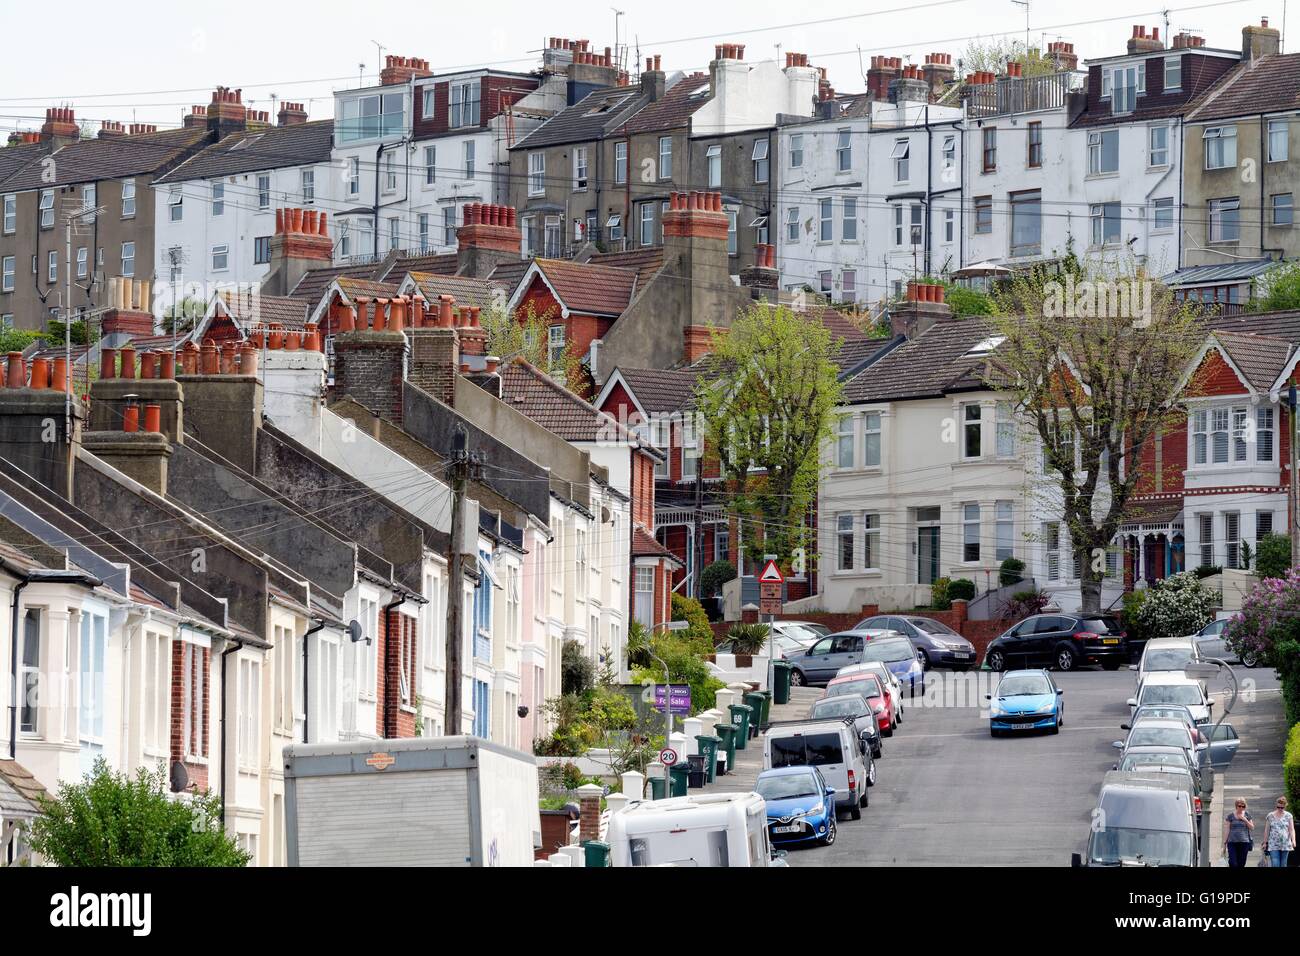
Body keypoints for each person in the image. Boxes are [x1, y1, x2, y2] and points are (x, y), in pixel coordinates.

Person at [1265, 796, 1296, 869]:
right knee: (1275, 864)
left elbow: (1291, 829)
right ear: (1276, 805)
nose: (1280, 809)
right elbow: (1267, 830)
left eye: (1282, 808)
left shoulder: (1289, 816)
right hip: (1273, 843)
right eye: (1278, 807)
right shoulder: (1270, 816)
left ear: (1285, 806)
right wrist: (1265, 842)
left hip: (1285, 843)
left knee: (1283, 864)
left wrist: (1293, 840)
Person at [1223, 798, 1254, 867]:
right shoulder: (1230, 816)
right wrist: (1225, 842)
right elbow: (1227, 829)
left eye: (1243, 806)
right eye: (1239, 806)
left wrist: (1245, 819)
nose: (1241, 808)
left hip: (1244, 842)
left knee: (1241, 863)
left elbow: (1252, 827)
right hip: (1232, 842)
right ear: (1236, 806)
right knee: (1233, 862)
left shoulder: (1247, 815)